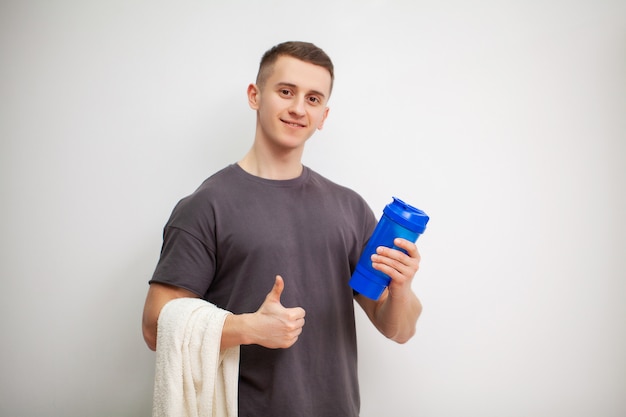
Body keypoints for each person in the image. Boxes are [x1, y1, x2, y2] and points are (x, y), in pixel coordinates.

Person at [142, 40, 423, 417]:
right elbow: (154, 326)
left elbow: (399, 330)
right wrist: (249, 329)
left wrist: (401, 288)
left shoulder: (350, 208)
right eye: (286, 91)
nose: (297, 108)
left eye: (312, 98)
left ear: (323, 115)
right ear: (255, 96)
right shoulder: (206, 206)